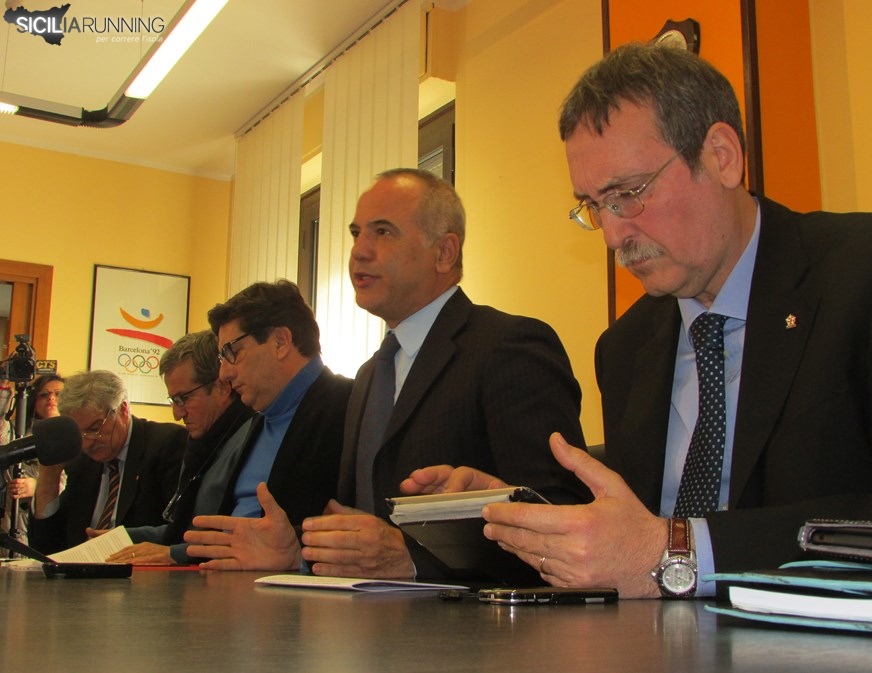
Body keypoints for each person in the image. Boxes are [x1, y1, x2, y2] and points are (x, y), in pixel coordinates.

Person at [403, 42, 872, 599]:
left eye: (629, 193)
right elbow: (630, 539)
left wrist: (684, 550)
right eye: (595, 206)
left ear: (721, 157)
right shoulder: (624, 348)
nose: (614, 235)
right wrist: (517, 515)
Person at [187, 169, 591, 578]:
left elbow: (562, 518)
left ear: (444, 252)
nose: (359, 252)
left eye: (383, 232)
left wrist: (414, 560)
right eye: (356, 233)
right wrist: (297, 556)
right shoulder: (368, 376)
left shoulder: (508, 346)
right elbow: (364, 530)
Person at [182, 280, 353, 570]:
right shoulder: (249, 420)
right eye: (221, 358)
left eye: (232, 352)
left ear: (280, 342)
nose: (223, 373)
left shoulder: (350, 406)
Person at [104, 331, 254, 565]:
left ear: (222, 386)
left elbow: (243, 541)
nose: (176, 414)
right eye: (173, 400)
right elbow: (186, 531)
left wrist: (174, 554)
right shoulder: (202, 443)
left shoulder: (250, 441)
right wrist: (122, 538)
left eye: (184, 398)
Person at [29, 370, 187, 554]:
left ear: (123, 410)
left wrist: (118, 540)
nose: (87, 443)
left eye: (95, 428)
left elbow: (180, 530)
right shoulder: (81, 459)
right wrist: (49, 478)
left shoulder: (167, 444)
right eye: (79, 433)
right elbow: (45, 549)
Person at [1, 374, 65, 554]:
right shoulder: (16, 432)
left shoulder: (79, 436)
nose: (51, 398)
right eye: (44, 394)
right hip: (10, 525)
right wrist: (3, 388)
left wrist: (38, 487)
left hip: (49, 532)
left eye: (58, 394)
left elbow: (78, 488)